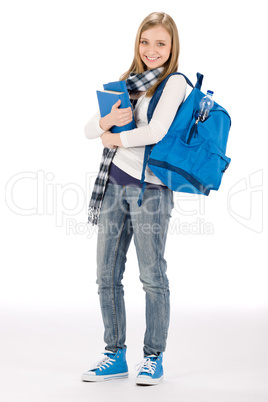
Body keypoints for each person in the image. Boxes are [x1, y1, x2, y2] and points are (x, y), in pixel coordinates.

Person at [81, 11, 187, 385]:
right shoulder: (127, 82)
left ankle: (153, 357)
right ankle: (114, 354)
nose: (152, 50)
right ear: (137, 45)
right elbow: (88, 128)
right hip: (113, 185)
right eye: (145, 42)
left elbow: (157, 132)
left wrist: (114, 137)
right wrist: (107, 124)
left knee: (152, 276)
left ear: (172, 46)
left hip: (151, 191)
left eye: (160, 43)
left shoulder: (174, 84)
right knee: (106, 275)